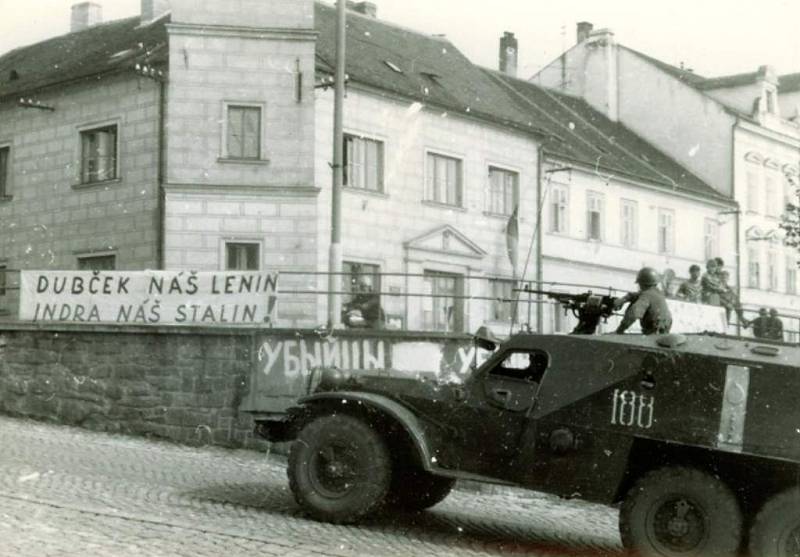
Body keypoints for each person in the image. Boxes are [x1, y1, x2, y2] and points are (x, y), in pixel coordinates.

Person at [614, 267, 673, 335]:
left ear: (642, 284)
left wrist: (620, 330)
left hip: (653, 334)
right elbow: (637, 295)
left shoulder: (646, 295)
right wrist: (624, 299)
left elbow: (633, 314)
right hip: (663, 333)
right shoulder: (658, 293)